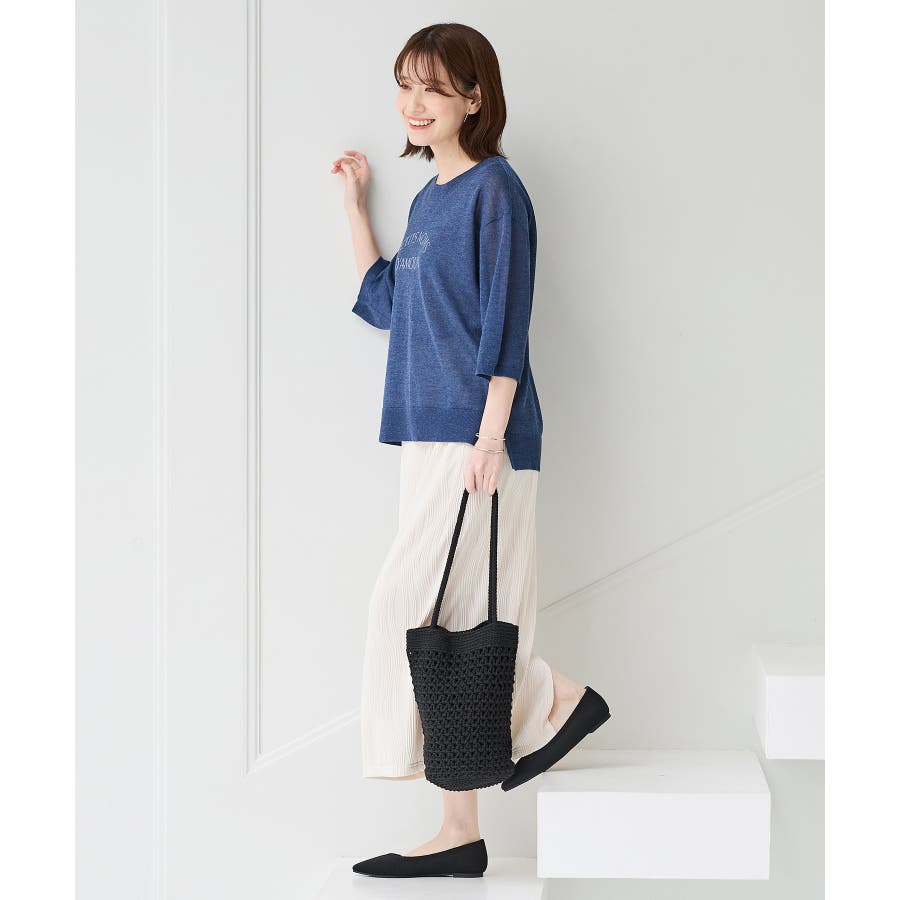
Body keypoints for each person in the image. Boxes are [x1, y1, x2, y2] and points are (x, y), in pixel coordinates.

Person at [332, 23, 611, 879]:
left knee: (401, 606)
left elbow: (505, 320)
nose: (413, 104)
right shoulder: (429, 203)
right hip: (427, 434)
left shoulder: (497, 190)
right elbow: (389, 304)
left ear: (474, 97)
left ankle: (556, 698)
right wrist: (354, 209)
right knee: (444, 625)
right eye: (405, 85)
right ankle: (461, 828)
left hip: (479, 435)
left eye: (433, 87)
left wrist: (490, 436)